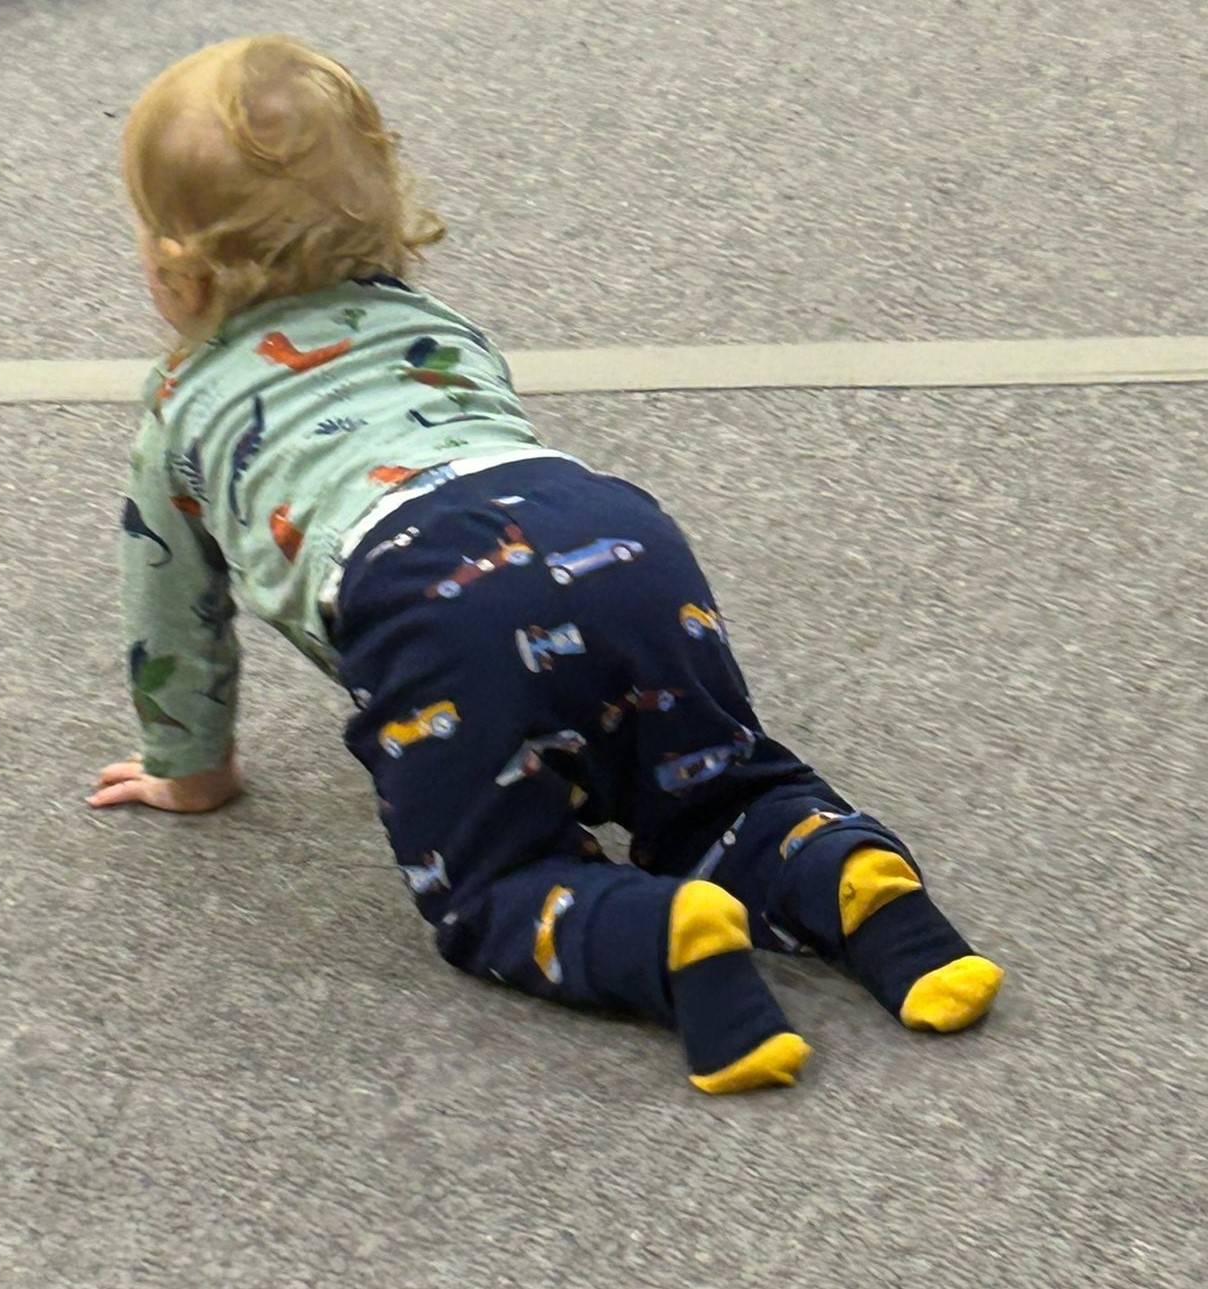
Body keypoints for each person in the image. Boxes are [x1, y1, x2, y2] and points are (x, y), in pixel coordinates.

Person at [89, 34, 1004, 1094]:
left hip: (423, 594)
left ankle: (663, 936)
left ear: (172, 271)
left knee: (496, 882)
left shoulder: (181, 408)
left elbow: (172, 608)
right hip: (609, 530)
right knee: (713, 783)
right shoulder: (435, 324)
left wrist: (191, 769)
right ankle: (862, 887)